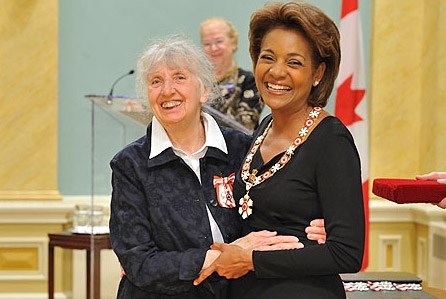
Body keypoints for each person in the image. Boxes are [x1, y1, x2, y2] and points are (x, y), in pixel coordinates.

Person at [109, 35, 326, 298]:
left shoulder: (243, 148)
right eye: (156, 81)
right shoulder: (130, 164)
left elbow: (274, 216)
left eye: (179, 77)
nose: (167, 90)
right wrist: (224, 256)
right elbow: (140, 264)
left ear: (205, 91)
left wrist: (312, 228)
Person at [194, 2, 365, 298]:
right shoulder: (263, 127)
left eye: (294, 62)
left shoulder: (331, 140)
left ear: (318, 72)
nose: (276, 72)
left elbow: (347, 253)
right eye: (267, 57)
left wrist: (252, 260)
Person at [200, 17, 264, 131]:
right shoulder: (197, 82)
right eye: (207, 43)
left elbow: (245, 125)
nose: (213, 48)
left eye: (219, 41)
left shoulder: (250, 81)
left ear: (233, 43)